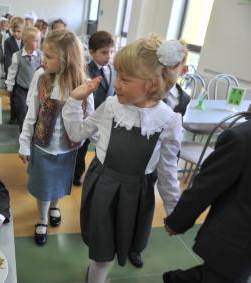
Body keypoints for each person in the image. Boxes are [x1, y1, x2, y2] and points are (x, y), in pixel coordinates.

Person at [62, 35, 183, 283]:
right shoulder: (111, 107)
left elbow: (168, 169)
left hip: (137, 194)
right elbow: (76, 134)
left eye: (125, 79)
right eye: (116, 75)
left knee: (126, 240)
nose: (116, 84)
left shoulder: (168, 120)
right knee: (102, 253)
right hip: (103, 186)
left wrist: (174, 210)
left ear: (152, 84)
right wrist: (76, 99)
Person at [19, 29, 93, 246]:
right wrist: (24, 143)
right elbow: (31, 113)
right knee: (42, 186)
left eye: (49, 56)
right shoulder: (41, 78)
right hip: (42, 146)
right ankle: (42, 219)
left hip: (68, 148)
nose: (43, 59)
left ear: (66, 59)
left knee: (58, 183)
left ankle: (54, 207)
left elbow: (90, 118)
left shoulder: (83, 82)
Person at [163, 119, 251, 283]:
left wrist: (177, 222)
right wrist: (177, 221)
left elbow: (205, 186)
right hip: (236, 241)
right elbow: (206, 187)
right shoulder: (241, 138)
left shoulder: (241, 137)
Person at [73, 30, 117, 187]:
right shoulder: (85, 70)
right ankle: (76, 173)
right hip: (89, 116)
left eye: (112, 51)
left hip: (107, 117)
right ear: (92, 52)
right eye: (104, 52)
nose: (109, 56)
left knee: (103, 145)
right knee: (82, 147)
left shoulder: (113, 70)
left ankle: (101, 173)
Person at [5, 27, 42, 130]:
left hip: (36, 89)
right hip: (21, 89)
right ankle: (23, 132)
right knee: (22, 111)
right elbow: (12, 72)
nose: (38, 43)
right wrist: (9, 87)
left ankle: (33, 132)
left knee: (35, 111)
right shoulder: (17, 56)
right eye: (36, 41)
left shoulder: (40, 55)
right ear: (25, 42)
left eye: (39, 40)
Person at [4, 16, 25, 124]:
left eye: (18, 31)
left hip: (23, 73)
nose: (16, 33)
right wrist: (8, 77)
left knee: (21, 98)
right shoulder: (8, 41)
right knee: (12, 96)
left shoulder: (26, 41)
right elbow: (7, 59)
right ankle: (13, 116)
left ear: (23, 30)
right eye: (14, 31)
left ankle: (21, 115)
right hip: (12, 72)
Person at [163, 41, 190, 116]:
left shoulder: (185, 99)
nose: (165, 69)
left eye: (171, 65)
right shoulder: (148, 91)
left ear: (184, 70)